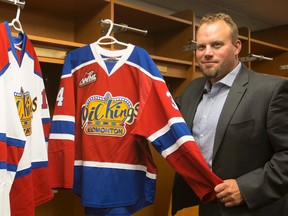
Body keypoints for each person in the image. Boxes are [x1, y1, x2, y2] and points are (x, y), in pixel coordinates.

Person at [172, 12, 288, 216]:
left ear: (237, 47)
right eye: (201, 46)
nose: (206, 53)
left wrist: (246, 188)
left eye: (216, 45)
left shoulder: (271, 90)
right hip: (206, 207)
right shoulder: (192, 89)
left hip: (254, 208)